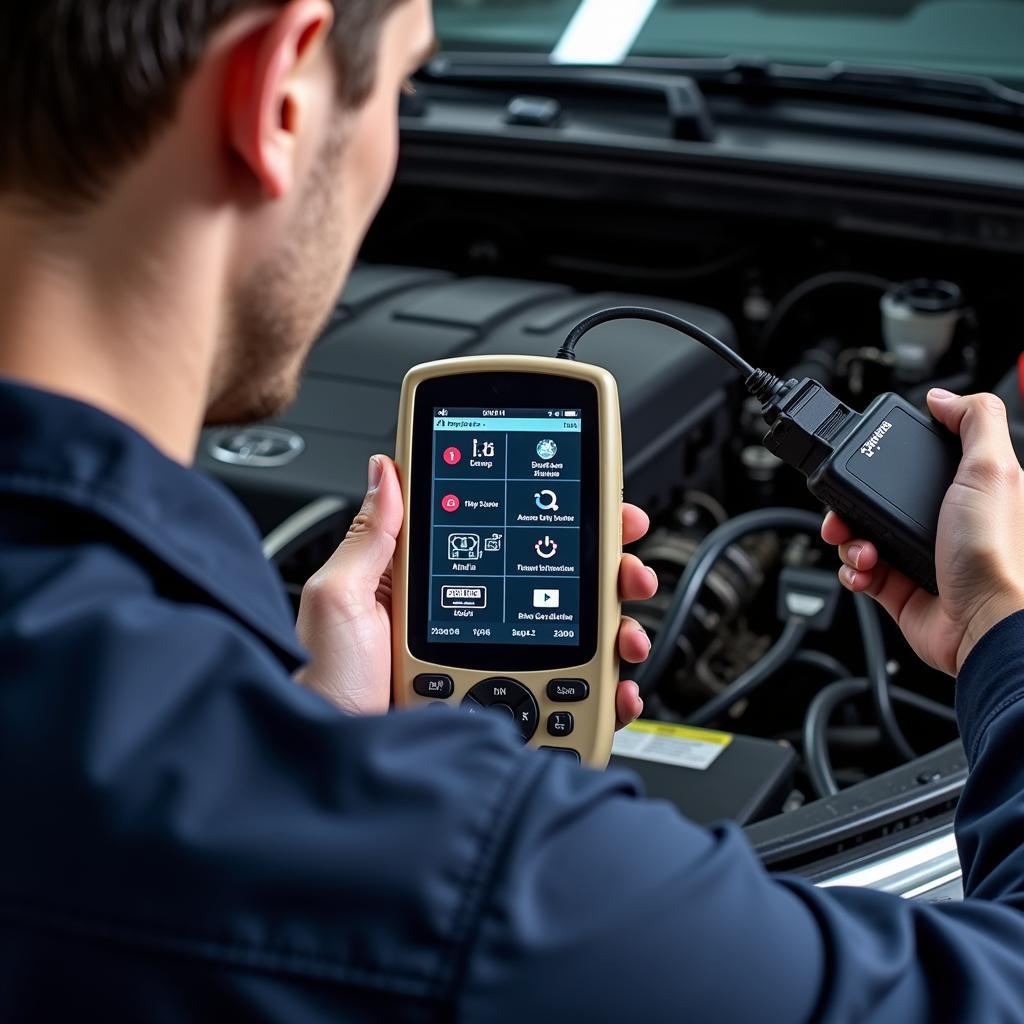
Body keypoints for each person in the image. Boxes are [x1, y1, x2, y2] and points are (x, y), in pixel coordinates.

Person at [2, 0, 1024, 1020]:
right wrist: (998, 629)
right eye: (405, 86)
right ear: (279, 94)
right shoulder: (448, 868)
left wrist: (320, 721)